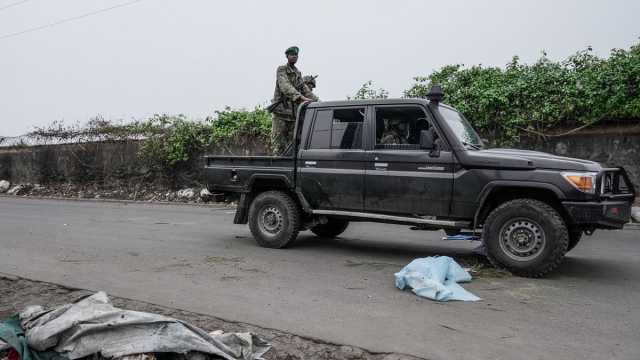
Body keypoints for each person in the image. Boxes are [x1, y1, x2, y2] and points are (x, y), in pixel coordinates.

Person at [268, 46, 315, 155]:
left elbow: (305, 89)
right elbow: (285, 86)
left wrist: (318, 102)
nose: (295, 57)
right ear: (287, 56)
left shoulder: (297, 73)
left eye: (296, 55)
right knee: (278, 145)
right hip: (281, 113)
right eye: (292, 55)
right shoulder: (282, 69)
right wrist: (300, 97)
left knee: (292, 146)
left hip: (293, 115)